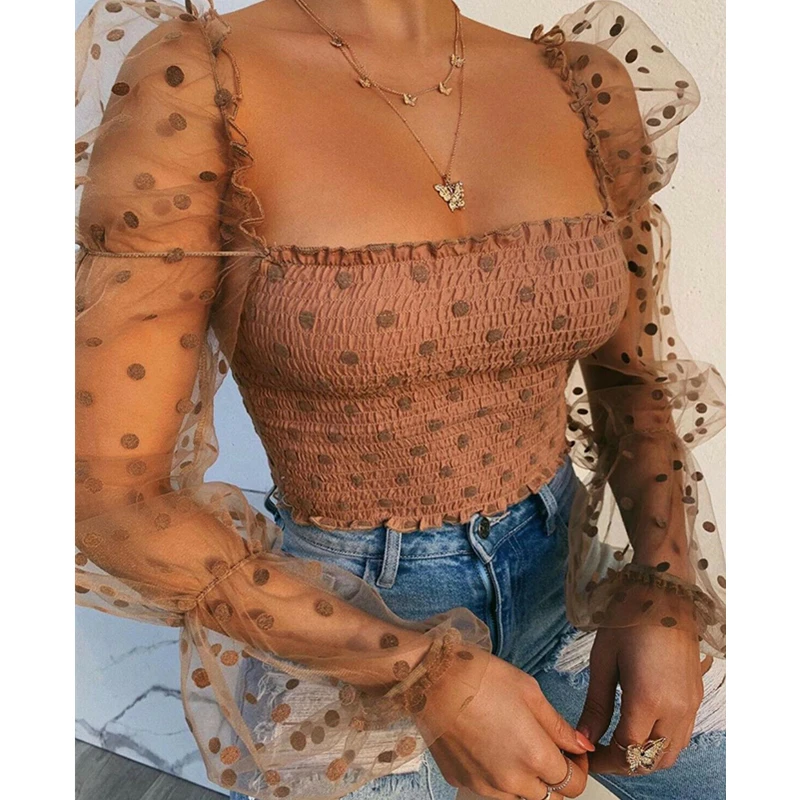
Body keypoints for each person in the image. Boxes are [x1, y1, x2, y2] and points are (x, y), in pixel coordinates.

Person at [74, 1, 726, 799]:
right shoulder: (199, 82)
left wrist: (664, 590)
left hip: (574, 596)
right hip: (347, 645)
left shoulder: (581, 84)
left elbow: (632, 384)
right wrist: (424, 672)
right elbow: (110, 496)